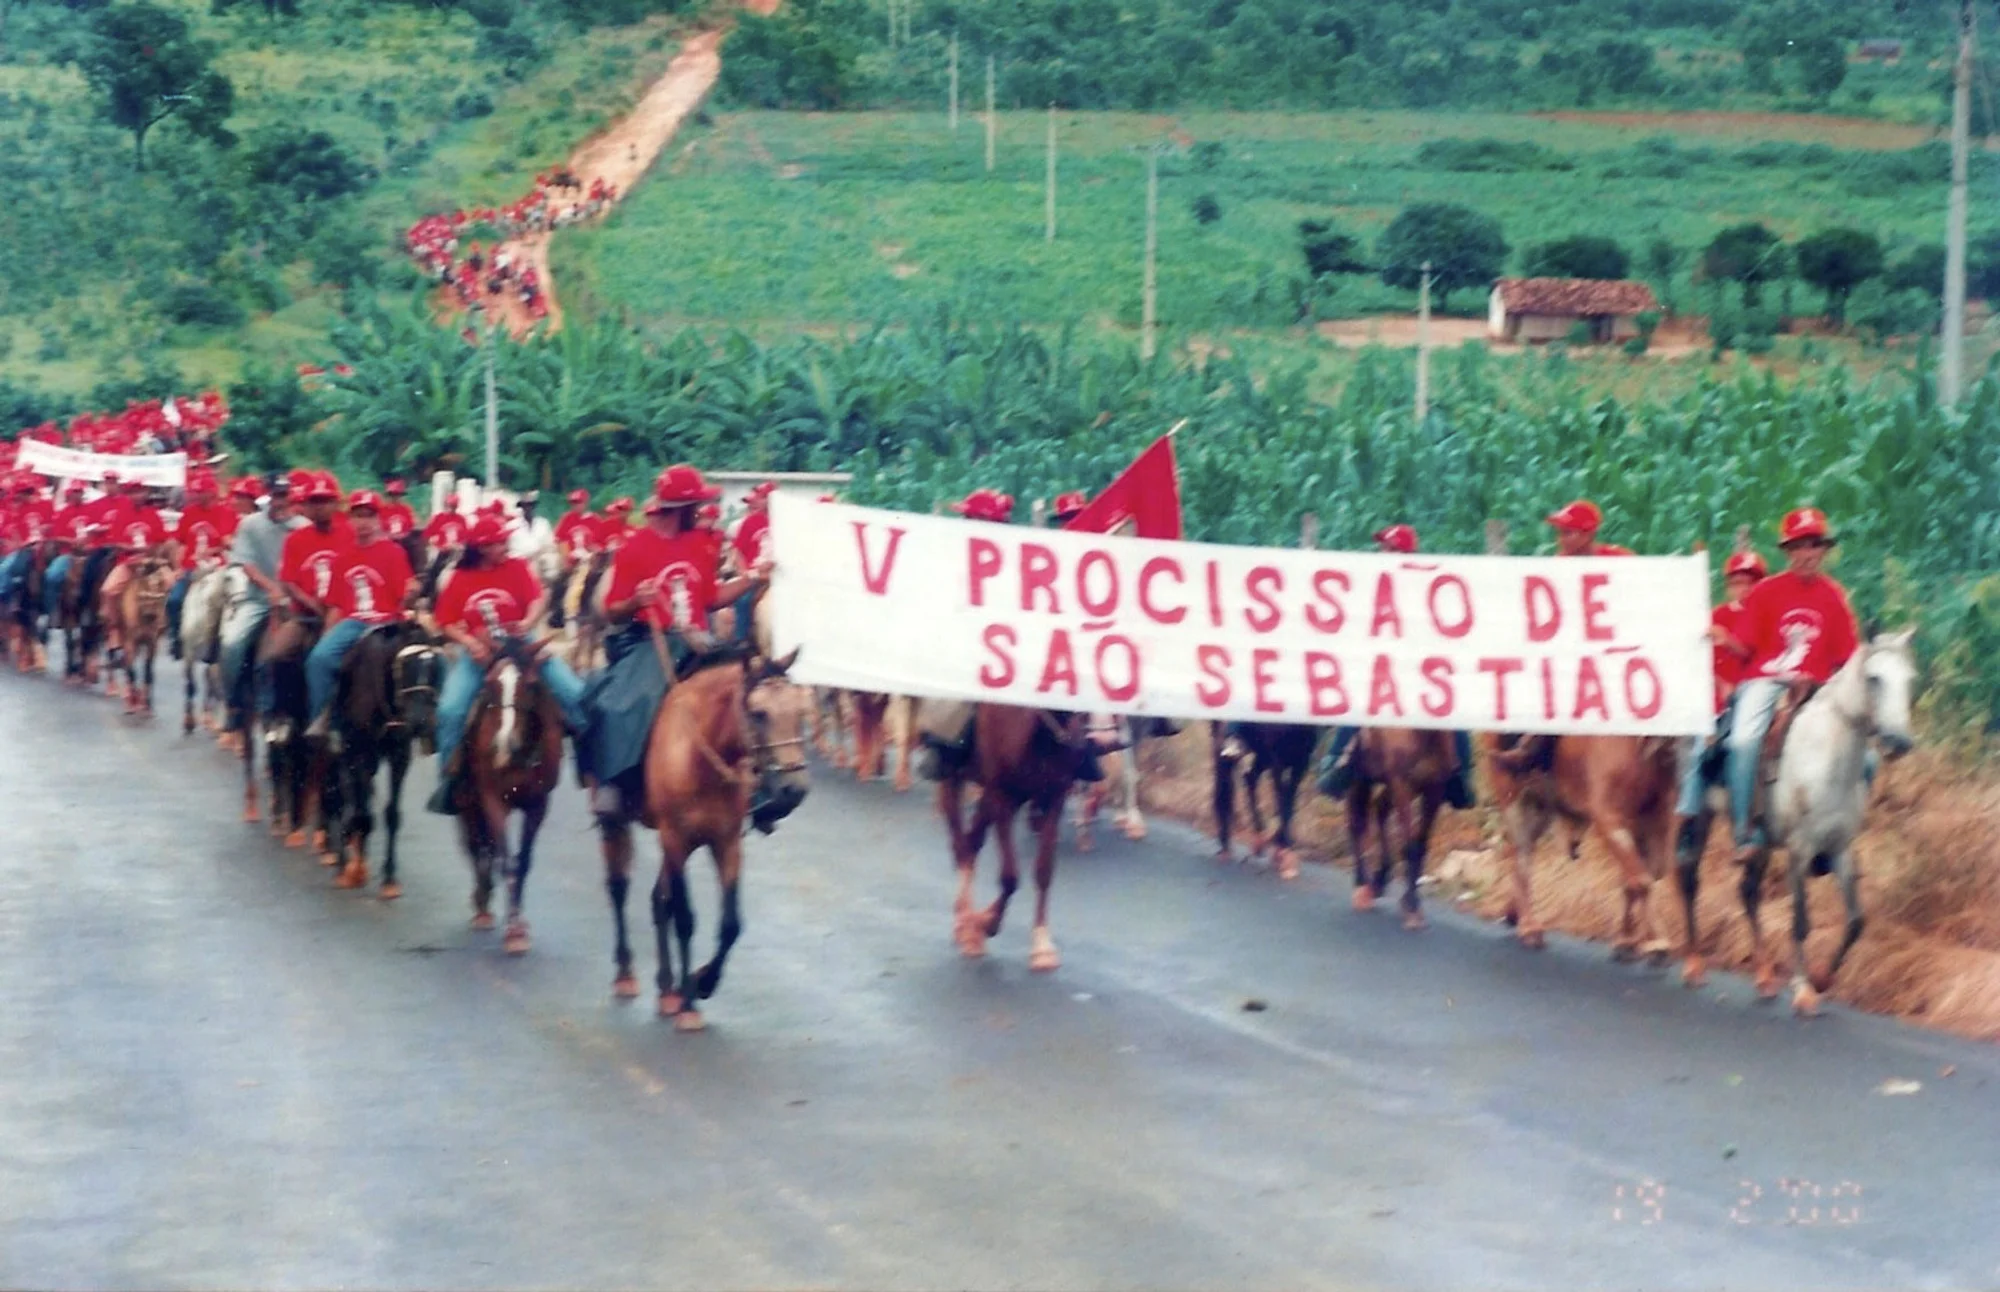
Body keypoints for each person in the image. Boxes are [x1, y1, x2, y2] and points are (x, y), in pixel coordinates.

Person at [576, 464, 769, 828]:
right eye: (695, 505)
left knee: (746, 689)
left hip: (697, 639)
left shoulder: (699, 543)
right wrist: (636, 600)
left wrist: (753, 578)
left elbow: (712, 598)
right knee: (621, 704)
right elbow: (613, 612)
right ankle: (614, 782)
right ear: (678, 509)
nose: (700, 512)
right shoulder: (634, 547)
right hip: (651, 639)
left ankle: (759, 787)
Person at [1714, 509, 1859, 861]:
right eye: (1798, 547)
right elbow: (1746, 645)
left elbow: (1847, 659)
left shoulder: (1834, 596)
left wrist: (1829, 685)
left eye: (1813, 546)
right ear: (1788, 552)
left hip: (1816, 687)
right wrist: (1720, 638)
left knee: (1861, 755)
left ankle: (1833, 833)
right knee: (1744, 741)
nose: (1806, 554)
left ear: (1823, 551)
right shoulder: (1766, 591)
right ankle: (1744, 832)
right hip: (1764, 680)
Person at [425, 514, 588, 813]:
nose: (505, 545)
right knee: (450, 709)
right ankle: (448, 780)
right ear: (483, 548)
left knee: (575, 694)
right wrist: (470, 643)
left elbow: (538, 599)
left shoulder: (517, 567)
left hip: (522, 645)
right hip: (481, 653)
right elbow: (445, 620)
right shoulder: (460, 577)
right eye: (499, 542)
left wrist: (527, 622)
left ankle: (588, 764)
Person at [1315, 525, 1476, 809]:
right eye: (1383, 549)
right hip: (1381, 668)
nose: (1382, 554)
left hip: (1418, 669)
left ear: (1401, 553)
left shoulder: (1424, 587)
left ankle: (1461, 775)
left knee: (1453, 714)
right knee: (1359, 706)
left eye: (1387, 549)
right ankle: (1337, 763)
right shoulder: (1373, 586)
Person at [1671, 549, 1766, 868]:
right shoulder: (1716, 616)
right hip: (1717, 702)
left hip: (1754, 696)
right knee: (1700, 748)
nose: (1743, 588)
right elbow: (1698, 661)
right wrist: (1719, 683)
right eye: (1737, 582)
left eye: (1750, 582)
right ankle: (1687, 818)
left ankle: (1765, 819)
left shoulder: (1766, 617)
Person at [305, 491, 417, 741]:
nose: (363, 522)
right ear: (350, 520)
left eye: (369, 516)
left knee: (423, 660)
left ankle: (419, 719)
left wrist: (411, 594)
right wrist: (326, 636)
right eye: (358, 516)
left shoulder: (393, 552)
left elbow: (405, 591)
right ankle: (324, 719)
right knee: (318, 659)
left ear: (378, 519)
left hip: (387, 621)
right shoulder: (343, 557)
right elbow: (335, 605)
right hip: (354, 622)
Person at [219, 473, 303, 728]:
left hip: (295, 602)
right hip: (258, 599)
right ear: (269, 496)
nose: (280, 501)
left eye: (284, 495)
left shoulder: (302, 526)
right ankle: (233, 702)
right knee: (232, 643)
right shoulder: (250, 525)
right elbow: (247, 564)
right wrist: (271, 588)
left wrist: (291, 592)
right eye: (276, 495)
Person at [166, 469, 237, 660]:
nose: (195, 495)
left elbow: (226, 541)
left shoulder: (225, 512)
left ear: (210, 492)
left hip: (216, 566)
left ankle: (219, 639)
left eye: (199, 492)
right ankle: (176, 637)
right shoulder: (188, 513)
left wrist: (212, 552)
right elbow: (180, 543)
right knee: (174, 600)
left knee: (223, 598)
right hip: (191, 565)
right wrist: (178, 568)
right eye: (195, 492)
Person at [1545, 500, 1634, 557]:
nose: (1560, 539)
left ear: (1588, 534)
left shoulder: (1618, 558)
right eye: (1559, 533)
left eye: (1567, 533)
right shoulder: (1558, 565)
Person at [555, 489, 598, 564]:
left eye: (578, 502)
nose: (575, 505)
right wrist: (566, 556)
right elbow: (559, 540)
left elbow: (600, 542)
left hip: (589, 558)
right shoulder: (567, 518)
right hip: (570, 558)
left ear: (586, 503)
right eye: (573, 503)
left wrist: (593, 551)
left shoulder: (594, 520)